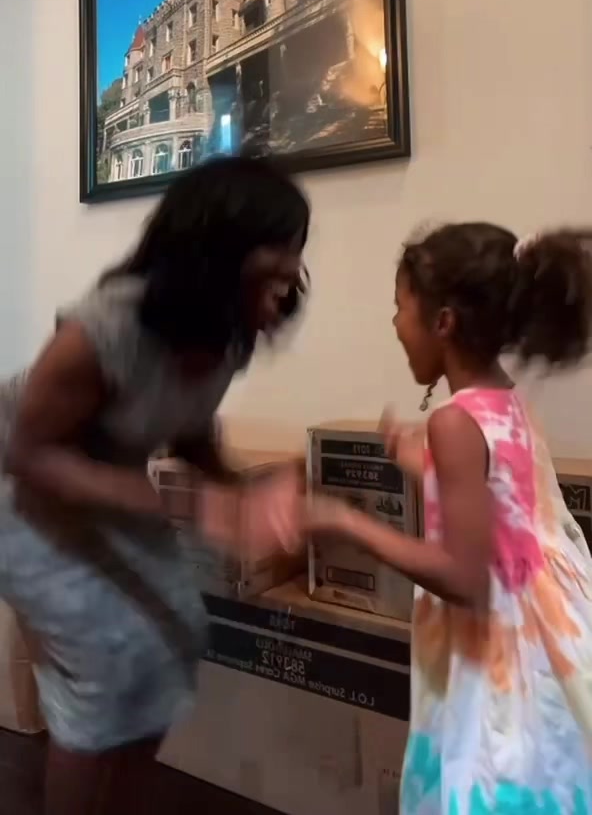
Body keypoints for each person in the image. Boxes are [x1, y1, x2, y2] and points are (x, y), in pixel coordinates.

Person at [0, 154, 309, 815]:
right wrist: (177, 502)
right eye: (277, 257)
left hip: (101, 479)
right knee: (105, 661)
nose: (290, 278)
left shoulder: (230, 332)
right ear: (216, 251)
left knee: (177, 632)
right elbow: (27, 452)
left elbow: (189, 426)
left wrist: (237, 488)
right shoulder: (104, 327)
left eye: (294, 258)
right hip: (17, 488)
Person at [307, 223, 592, 813]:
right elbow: (506, 499)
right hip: (551, 632)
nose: (394, 324)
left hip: (501, 650)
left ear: (442, 322)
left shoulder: (453, 422)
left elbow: (465, 578)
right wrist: (427, 466)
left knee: (485, 777)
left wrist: (346, 521)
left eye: (399, 307)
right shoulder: (506, 401)